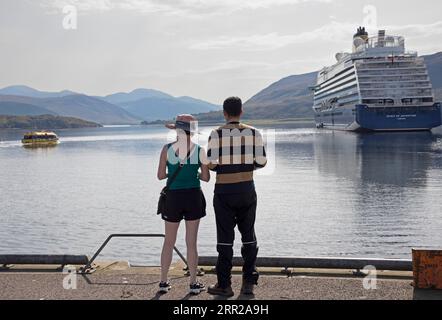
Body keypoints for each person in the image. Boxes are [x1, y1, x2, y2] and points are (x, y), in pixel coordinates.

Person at [206, 97, 267, 297]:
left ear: (224, 113)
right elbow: (262, 162)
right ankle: (248, 282)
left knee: (225, 239)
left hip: (224, 192)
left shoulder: (216, 134)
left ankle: (224, 284)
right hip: (247, 189)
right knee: (249, 236)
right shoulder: (254, 133)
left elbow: (212, 165)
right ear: (241, 112)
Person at [157, 114, 210, 295]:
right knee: (191, 243)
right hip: (193, 197)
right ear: (192, 132)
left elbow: (160, 176)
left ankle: (163, 282)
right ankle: (193, 283)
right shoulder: (199, 150)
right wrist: (193, 174)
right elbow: (206, 177)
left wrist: (173, 173)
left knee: (169, 241)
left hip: (173, 198)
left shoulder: (166, 149)